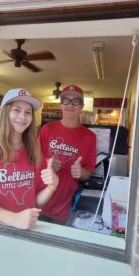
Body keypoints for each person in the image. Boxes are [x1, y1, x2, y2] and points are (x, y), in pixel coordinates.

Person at [0, 88, 59, 230]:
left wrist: (52, 187)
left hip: (26, 229)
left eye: (28, 112)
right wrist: (13, 218)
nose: (23, 117)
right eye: (17, 110)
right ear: (6, 113)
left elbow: (35, 201)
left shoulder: (35, 152)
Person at [39, 85, 96, 224]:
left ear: (81, 106)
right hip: (39, 199)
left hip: (64, 207)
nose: (70, 104)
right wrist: (47, 164)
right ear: (61, 105)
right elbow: (33, 160)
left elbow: (87, 173)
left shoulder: (90, 137)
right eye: (66, 100)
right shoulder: (46, 129)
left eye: (75, 101)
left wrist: (80, 172)